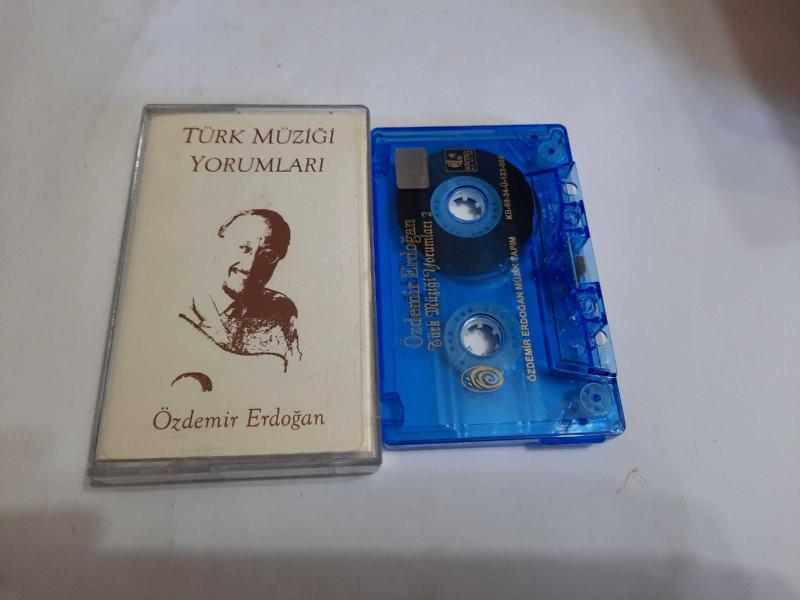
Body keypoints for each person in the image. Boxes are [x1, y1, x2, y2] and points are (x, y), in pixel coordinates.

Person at [179, 208, 300, 370]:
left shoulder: (281, 310)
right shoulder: (184, 305)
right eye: (243, 248)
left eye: (267, 255)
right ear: (217, 247)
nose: (250, 266)